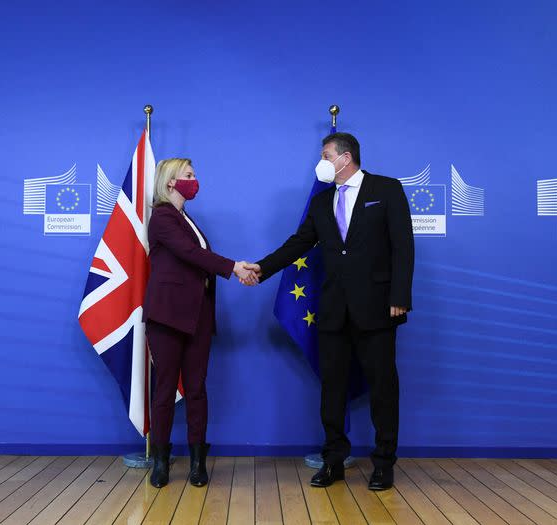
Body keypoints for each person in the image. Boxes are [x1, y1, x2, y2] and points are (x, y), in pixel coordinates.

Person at [248, 132, 414, 491]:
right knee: (332, 389)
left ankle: (384, 464)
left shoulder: (386, 189)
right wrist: (261, 268)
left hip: (378, 308)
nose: (321, 161)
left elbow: (403, 246)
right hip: (333, 311)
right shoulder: (322, 202)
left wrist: (400, 296)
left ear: (345, 157)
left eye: (325, 154)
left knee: (383, 387)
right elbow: (299, 243)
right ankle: (333, 460)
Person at [143, 158, 257, 488]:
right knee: (164, 390)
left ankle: (197, 463)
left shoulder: (185, 218)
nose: (195, 180)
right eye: (189, 175)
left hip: (197, 318)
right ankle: (161, 461)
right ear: (169, 182)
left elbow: (198, 258)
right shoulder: (163, 217)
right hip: (167, 316)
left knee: (197, 390)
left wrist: (233, 268)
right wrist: (234, 266)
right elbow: (192, 255)